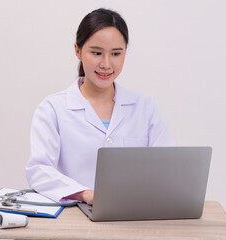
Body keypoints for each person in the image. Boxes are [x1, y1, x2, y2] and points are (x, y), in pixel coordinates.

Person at [25, 8, 174, 205]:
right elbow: (39, 170)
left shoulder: (144, 107)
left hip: (134, 213)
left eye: (115, 54)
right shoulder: (53, 108)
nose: (106, 64)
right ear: (78, 50)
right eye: (96, 53)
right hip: (75, 214)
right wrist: (85, 194)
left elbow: (169, 166)